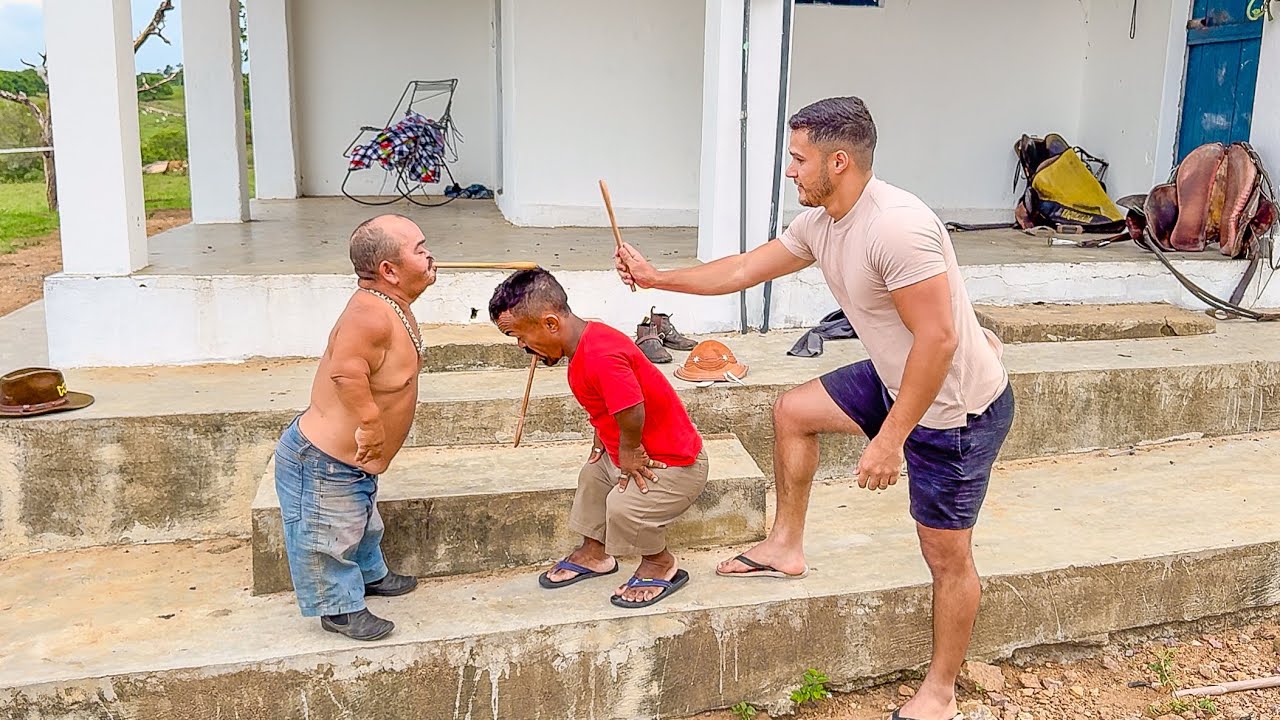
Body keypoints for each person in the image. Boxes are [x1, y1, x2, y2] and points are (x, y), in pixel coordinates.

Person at [614, 96, 1015, 720]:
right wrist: (656, 276)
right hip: (896, 377)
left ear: (838, 160)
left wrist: (888, 441)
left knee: (946, 556)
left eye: (797, 160)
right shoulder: (823, 221)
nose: (789, 171)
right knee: (794, 412)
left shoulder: (896, 228)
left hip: (953, 410)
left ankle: (940, 691)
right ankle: (785, 545)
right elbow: (746, 268)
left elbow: (939, 342)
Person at [488, 268, 708, 609]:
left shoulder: (600, 354)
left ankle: (659, 562)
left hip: (672, 463)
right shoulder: (582, 346)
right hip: (631, 451)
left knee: (623, 507)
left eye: (519, 335)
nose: (521, 346)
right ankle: (595, 552)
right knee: (593, 477)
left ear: (549, 324)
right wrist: (601, 439)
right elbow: (609, 406)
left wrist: (631, 450)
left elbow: (632, 407)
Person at [273, 214, 436, 641]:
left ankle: (369, 574)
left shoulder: (390, 306)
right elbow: (346, 373)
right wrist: (369, 424)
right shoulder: (369, 315)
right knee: (330, 533)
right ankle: (338, 608)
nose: (429, 254)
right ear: (389, 271)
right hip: (325, 462)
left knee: (363, 524)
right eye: (419, 249)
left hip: (352, 463)